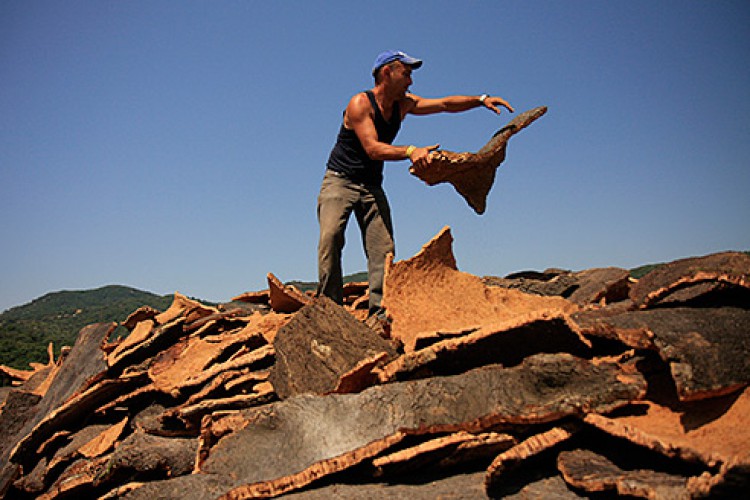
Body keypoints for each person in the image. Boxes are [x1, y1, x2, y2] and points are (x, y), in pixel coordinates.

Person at [316, 50, 514, 325]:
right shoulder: (360, 103)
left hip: (372, 185)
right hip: (340, 180)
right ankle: (329, 311)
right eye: (406, 73)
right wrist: (411, 151)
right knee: (331, 237)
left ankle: (380, 314)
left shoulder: (403, 104)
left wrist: (480, 100)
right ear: (388, 72)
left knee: (383, 249)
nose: (410, 81)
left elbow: (445, 104)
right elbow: (372, 148)